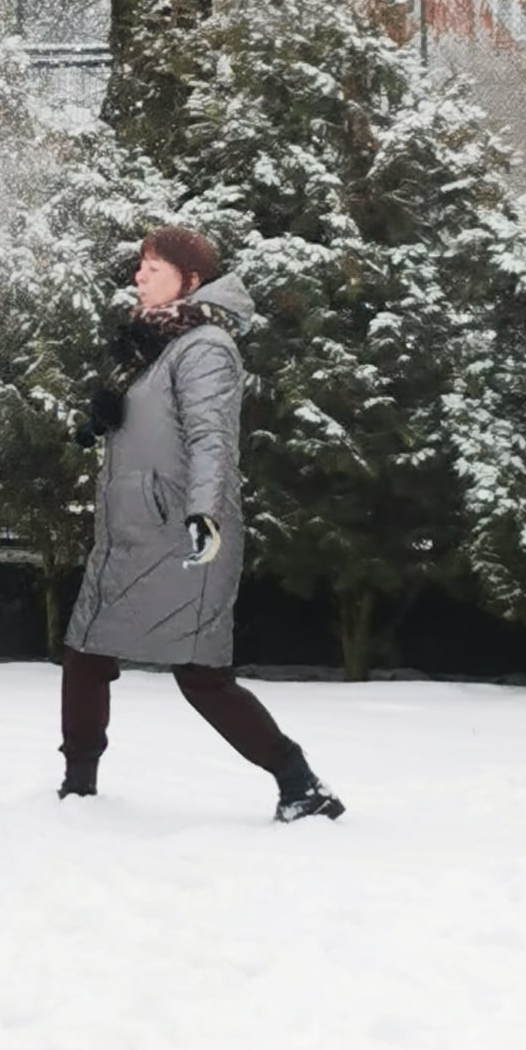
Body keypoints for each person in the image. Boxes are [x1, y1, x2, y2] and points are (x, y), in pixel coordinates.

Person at [62, 225, 345, 822]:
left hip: (184, 534)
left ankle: (300, 783)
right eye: (140, 265)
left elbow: (211, 440)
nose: (139, 275)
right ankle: (77, 791)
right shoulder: (151, 346)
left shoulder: (206, 346)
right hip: (131, 533)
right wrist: (106, 418)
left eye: (154, 267)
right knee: (86, 654)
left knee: (200, 675)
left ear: (190, 282)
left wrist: (204, 515)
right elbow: (154, 426)